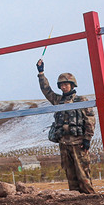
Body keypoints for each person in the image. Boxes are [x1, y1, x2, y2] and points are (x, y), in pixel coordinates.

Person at [36, 60, 96, 194]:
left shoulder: (81, 100)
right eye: (61, 85)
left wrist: (87, 139)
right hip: (64, 144)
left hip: (78, 143)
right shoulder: (58, 101)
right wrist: (41, 73)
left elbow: (90, 120)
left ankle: (90, 199)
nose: (64, 87)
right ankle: (74, 200)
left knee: (83, 176)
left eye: (66, 84)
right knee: (71, 176)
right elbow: (46, 90)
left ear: (72, 85)